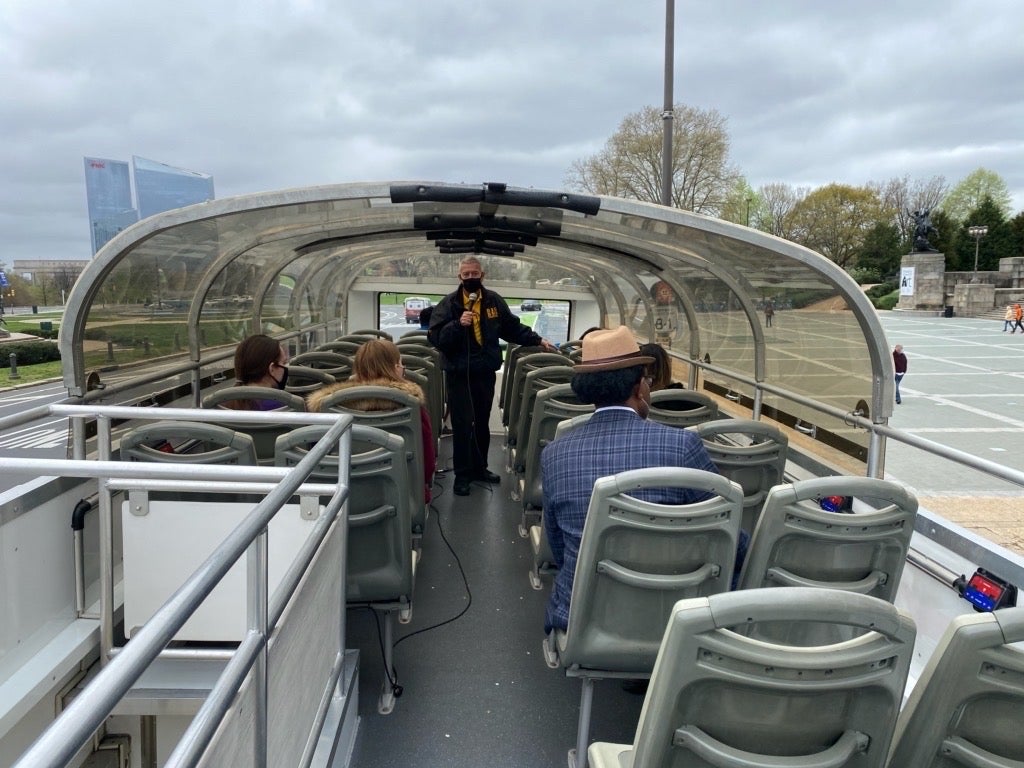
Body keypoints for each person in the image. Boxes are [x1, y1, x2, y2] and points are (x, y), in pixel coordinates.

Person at [540, 326, 726, 634]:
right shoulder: (682, 447)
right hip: (675, 609)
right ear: (640, 387)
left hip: (584, 611)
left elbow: (559, 548)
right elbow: (723, 527)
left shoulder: (556, 454)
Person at [429, 256, 556, 496]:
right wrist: (458, 324)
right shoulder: (449, 305)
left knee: (481, 422)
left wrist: (537, 339)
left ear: (482, 275)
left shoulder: (493, 302)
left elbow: (511, 328)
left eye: (474, 274)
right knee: (462, 424)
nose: (470, 278)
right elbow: (437, 339)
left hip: (484, 370)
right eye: (466, 275)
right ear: (460, 278)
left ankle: (480, 467)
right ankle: (462, 474)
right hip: (459, 373)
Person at [307, 338, 436, 503]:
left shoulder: (329, 406)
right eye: (402, 365)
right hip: (402, 497)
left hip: (344, 498)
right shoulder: (412, 405)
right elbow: (427, 465)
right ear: (396, 368)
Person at [222, 334, 290, 410]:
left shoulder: (220, 404)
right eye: (284, 363)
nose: (285, 367)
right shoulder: (285, 407)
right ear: (272, 369)